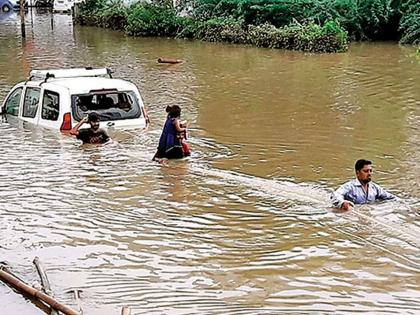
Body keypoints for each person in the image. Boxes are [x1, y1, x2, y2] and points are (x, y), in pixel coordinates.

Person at [331, 159, 396, 210]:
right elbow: (336, 194)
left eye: (370, 171)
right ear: (357, 173)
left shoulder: (375, 188)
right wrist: (342, 203)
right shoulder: (349, 187)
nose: (369, 173)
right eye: (366, 171)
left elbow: (391, 197)